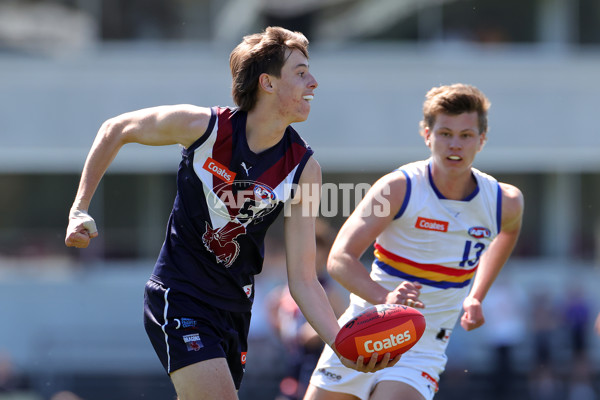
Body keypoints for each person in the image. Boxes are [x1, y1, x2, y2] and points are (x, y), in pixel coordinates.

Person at [64, 26, 397, 400]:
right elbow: (117, 128)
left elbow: (303, 279)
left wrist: (339, 343)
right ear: (268, 83)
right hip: (180, 295)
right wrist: (79, 209)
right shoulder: (205, 129)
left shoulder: (303, 168)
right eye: (301, 72)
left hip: (235, 310)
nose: (314, 82)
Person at [305, 83, 524, 400]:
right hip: (364, 329)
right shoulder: (398, 188)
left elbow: (509, 232)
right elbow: (339, 258)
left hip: (423, 347)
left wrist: (477, 295)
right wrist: (386, 297)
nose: (455, 144)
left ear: (482, 140)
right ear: (427, 134)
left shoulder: (505, 201)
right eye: (445, 133)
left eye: (466, 135)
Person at [266, 218, 348, 400]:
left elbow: (344, 319)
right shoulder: (288, 288)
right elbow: (277, 312)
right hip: (292, 359)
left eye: (318, 249)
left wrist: (316, 331)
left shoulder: (328, 289)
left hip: (315, 359)